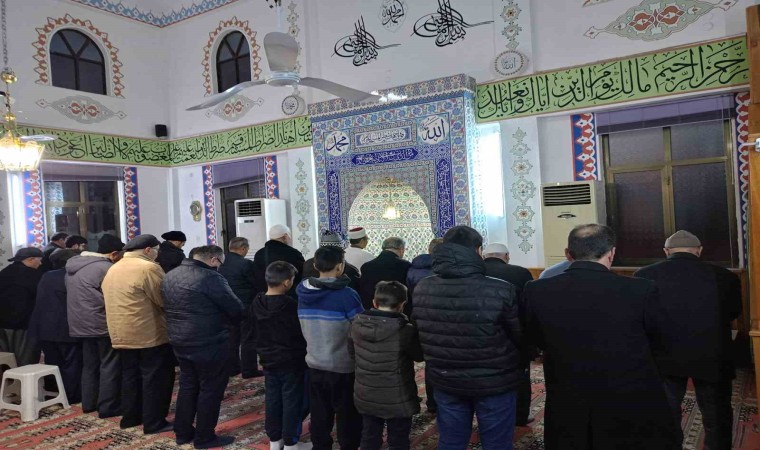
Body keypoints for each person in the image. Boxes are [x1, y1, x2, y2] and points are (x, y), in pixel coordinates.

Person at [523, 224, 679, 449]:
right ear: (612, 253)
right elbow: (659, 339)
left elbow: (534, 339)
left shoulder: (537, 290)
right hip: (627, 394)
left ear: (568, 254)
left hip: (567, 393)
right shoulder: (641, 290)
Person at [412, 226, 522, 450]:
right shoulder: (501, 289)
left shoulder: (423, 287)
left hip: (445, 378)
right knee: (497, 444)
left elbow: (419, 331)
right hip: (494, 381)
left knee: (451, 441)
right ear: (478, 250)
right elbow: (519, 336)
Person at [635, 230, 741, 450]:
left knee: (665, 411)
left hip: (663, 354)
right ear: (699, 251)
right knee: (716, 412)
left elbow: (641, 316)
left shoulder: (644, 274)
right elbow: (733, 312)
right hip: (712, 354)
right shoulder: (725, 276)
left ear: (666, 251)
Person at [162, 245, 244, 449]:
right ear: (214, 260)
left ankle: (182, 432)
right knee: (211, 389)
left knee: (188, 385)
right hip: (209, 341)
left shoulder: (171, 275)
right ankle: (204, 437)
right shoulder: (211, 277)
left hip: (179, 340)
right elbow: (235, 308)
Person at [102, 234, 174, 434]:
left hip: (120, 331)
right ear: (148, 250)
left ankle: (131, 417)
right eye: (157, 251)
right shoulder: (148, 268)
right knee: (155, 377)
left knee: (130, 376)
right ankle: (154, 422)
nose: (158, 255)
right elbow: (162, 298)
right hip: (147, 332)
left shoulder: (114, 268)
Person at [296, 246, 364, 450]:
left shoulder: (303, 292)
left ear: (316, 266)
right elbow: (360, 327)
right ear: (340, 266)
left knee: (319, 412)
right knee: (347, 412)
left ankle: (321, 445)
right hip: (342, 365)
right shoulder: (346, 295)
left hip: (314, 362)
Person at [348, 281, 423, 450]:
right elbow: (419, 356)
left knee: (369, 435)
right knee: (398, 439)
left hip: (366, 393)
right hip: (397, 396)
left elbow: (352, 355)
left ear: (374, 303)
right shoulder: (405, 331)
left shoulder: (356, 324)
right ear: (402, 305)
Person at [66, 233, 125, 417]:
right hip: (100, 323)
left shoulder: (73, 267)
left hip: (79, 324)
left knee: (90, 365)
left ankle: (89, 403)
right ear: (114, 254)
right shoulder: (106, 268)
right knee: (109, 364)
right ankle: (108, 407)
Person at [253, 262, 310, 450]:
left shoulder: (257, 302)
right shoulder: (290, 305)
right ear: (287, 282)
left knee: (273, 399)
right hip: (291, 361)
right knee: (292, 400)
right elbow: (299, 333)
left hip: (267, 359)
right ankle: (291, 443)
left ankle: (275, 440)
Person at [482, 242, 535, 427]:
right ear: (506, 256)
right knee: (520, 376)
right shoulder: (520, 273)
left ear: (484, 256)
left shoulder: (475, 273)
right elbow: (529, 306)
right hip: (515, 335)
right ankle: (520, 416)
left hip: (482, 336)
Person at [27, 249, 82, 403]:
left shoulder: (47, 275)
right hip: (65, 326)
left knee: (53, 362)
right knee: (71, 363)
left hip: (44, 327)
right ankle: (71, 396)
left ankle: (54, 392)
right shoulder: (72, 276)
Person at [404, 237, 443, 414]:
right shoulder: (442, 269)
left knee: (430, 360)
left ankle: (432, 402)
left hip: (420, 317)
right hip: (440, 319)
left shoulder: (413, 269)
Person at [218, 236, 259, 378]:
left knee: (232, 338)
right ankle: (249, 370)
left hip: (227, 306)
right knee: (248, 338)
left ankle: (233, 368)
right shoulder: (246, 264)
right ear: (243, 248)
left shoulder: (221, 263)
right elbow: (255, 283)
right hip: (245, 305)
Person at [0, 247, 44, 365]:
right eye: (39, 260)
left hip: (3, 324)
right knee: (26, 359)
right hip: (24, 324)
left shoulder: (4, 272)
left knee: (6, 360)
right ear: (30, 259)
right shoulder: (33, 275)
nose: (40, 264)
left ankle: (8, 377)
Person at [358, 237, 411, 311]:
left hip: (372, 310)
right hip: (397, 310)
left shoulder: (367, 266)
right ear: (401, 249)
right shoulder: (405, 266)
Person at [254, 225, 305, 299]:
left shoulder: (259, 253)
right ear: (285, 236)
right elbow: (301, 274)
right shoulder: (293, 253)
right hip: (289, 297)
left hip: (265, 296)